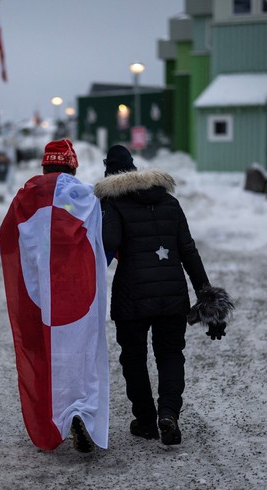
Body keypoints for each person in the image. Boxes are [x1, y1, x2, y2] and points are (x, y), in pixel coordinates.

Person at [94, 144, 233, 446]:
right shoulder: (169, 201)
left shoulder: (113, 203)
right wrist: (208, 300)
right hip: (172, 294)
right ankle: (168, 413)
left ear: (109, 176)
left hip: (132, 296)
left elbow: (109, 241)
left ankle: (145, 421)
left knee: (134, 358)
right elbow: (188, 251)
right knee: (170, 354)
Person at [0, 139, 109, 454]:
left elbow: (1, 240)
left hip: (40, 293)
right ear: (73, 166)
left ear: (44, 166)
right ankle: (80, 412)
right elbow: (103, 243)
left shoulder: (26, 198)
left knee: (45, 355)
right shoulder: (85, 197)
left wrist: (34, 258)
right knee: (82, 354)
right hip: (77, 291)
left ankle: (56, 418)